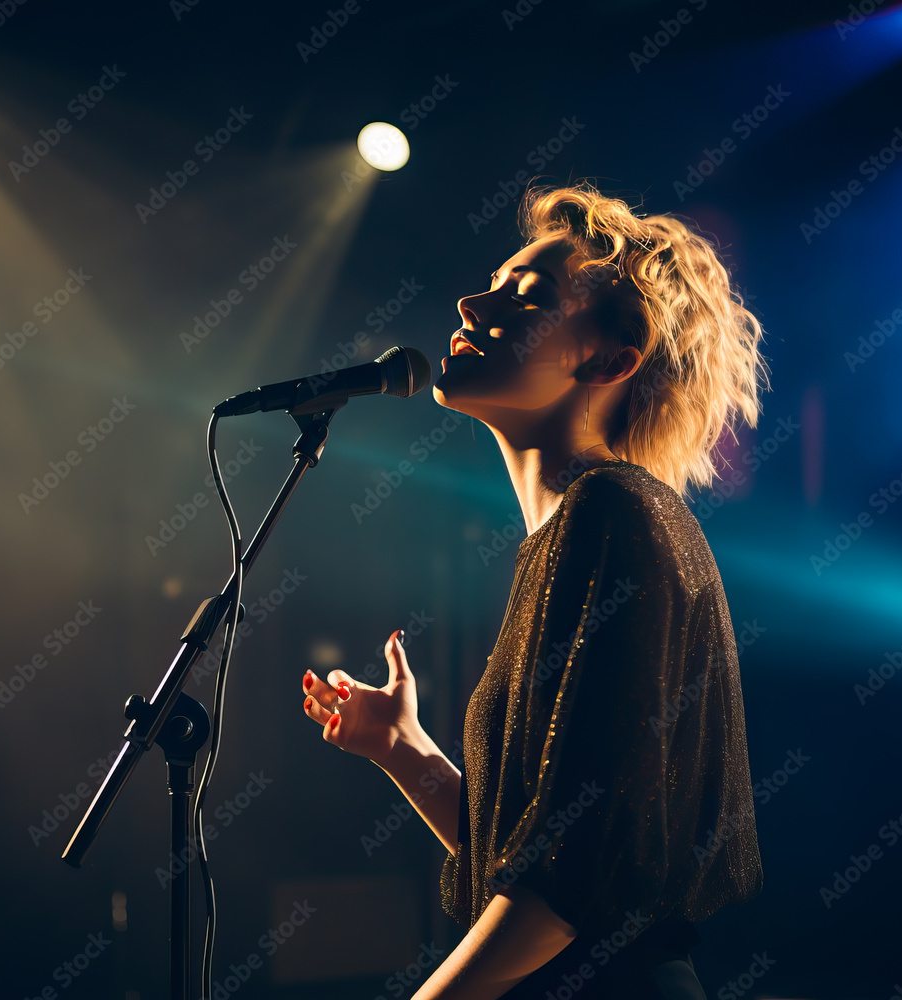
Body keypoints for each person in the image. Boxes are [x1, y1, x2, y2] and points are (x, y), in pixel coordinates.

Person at [301, 180, 768, 998]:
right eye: (493, 284)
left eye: (526, 295)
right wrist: (402, 748)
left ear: (610, 359)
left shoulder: (613, 514)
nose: (470, 302)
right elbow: (540, 856)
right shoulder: (571, 533)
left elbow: (565, 887)